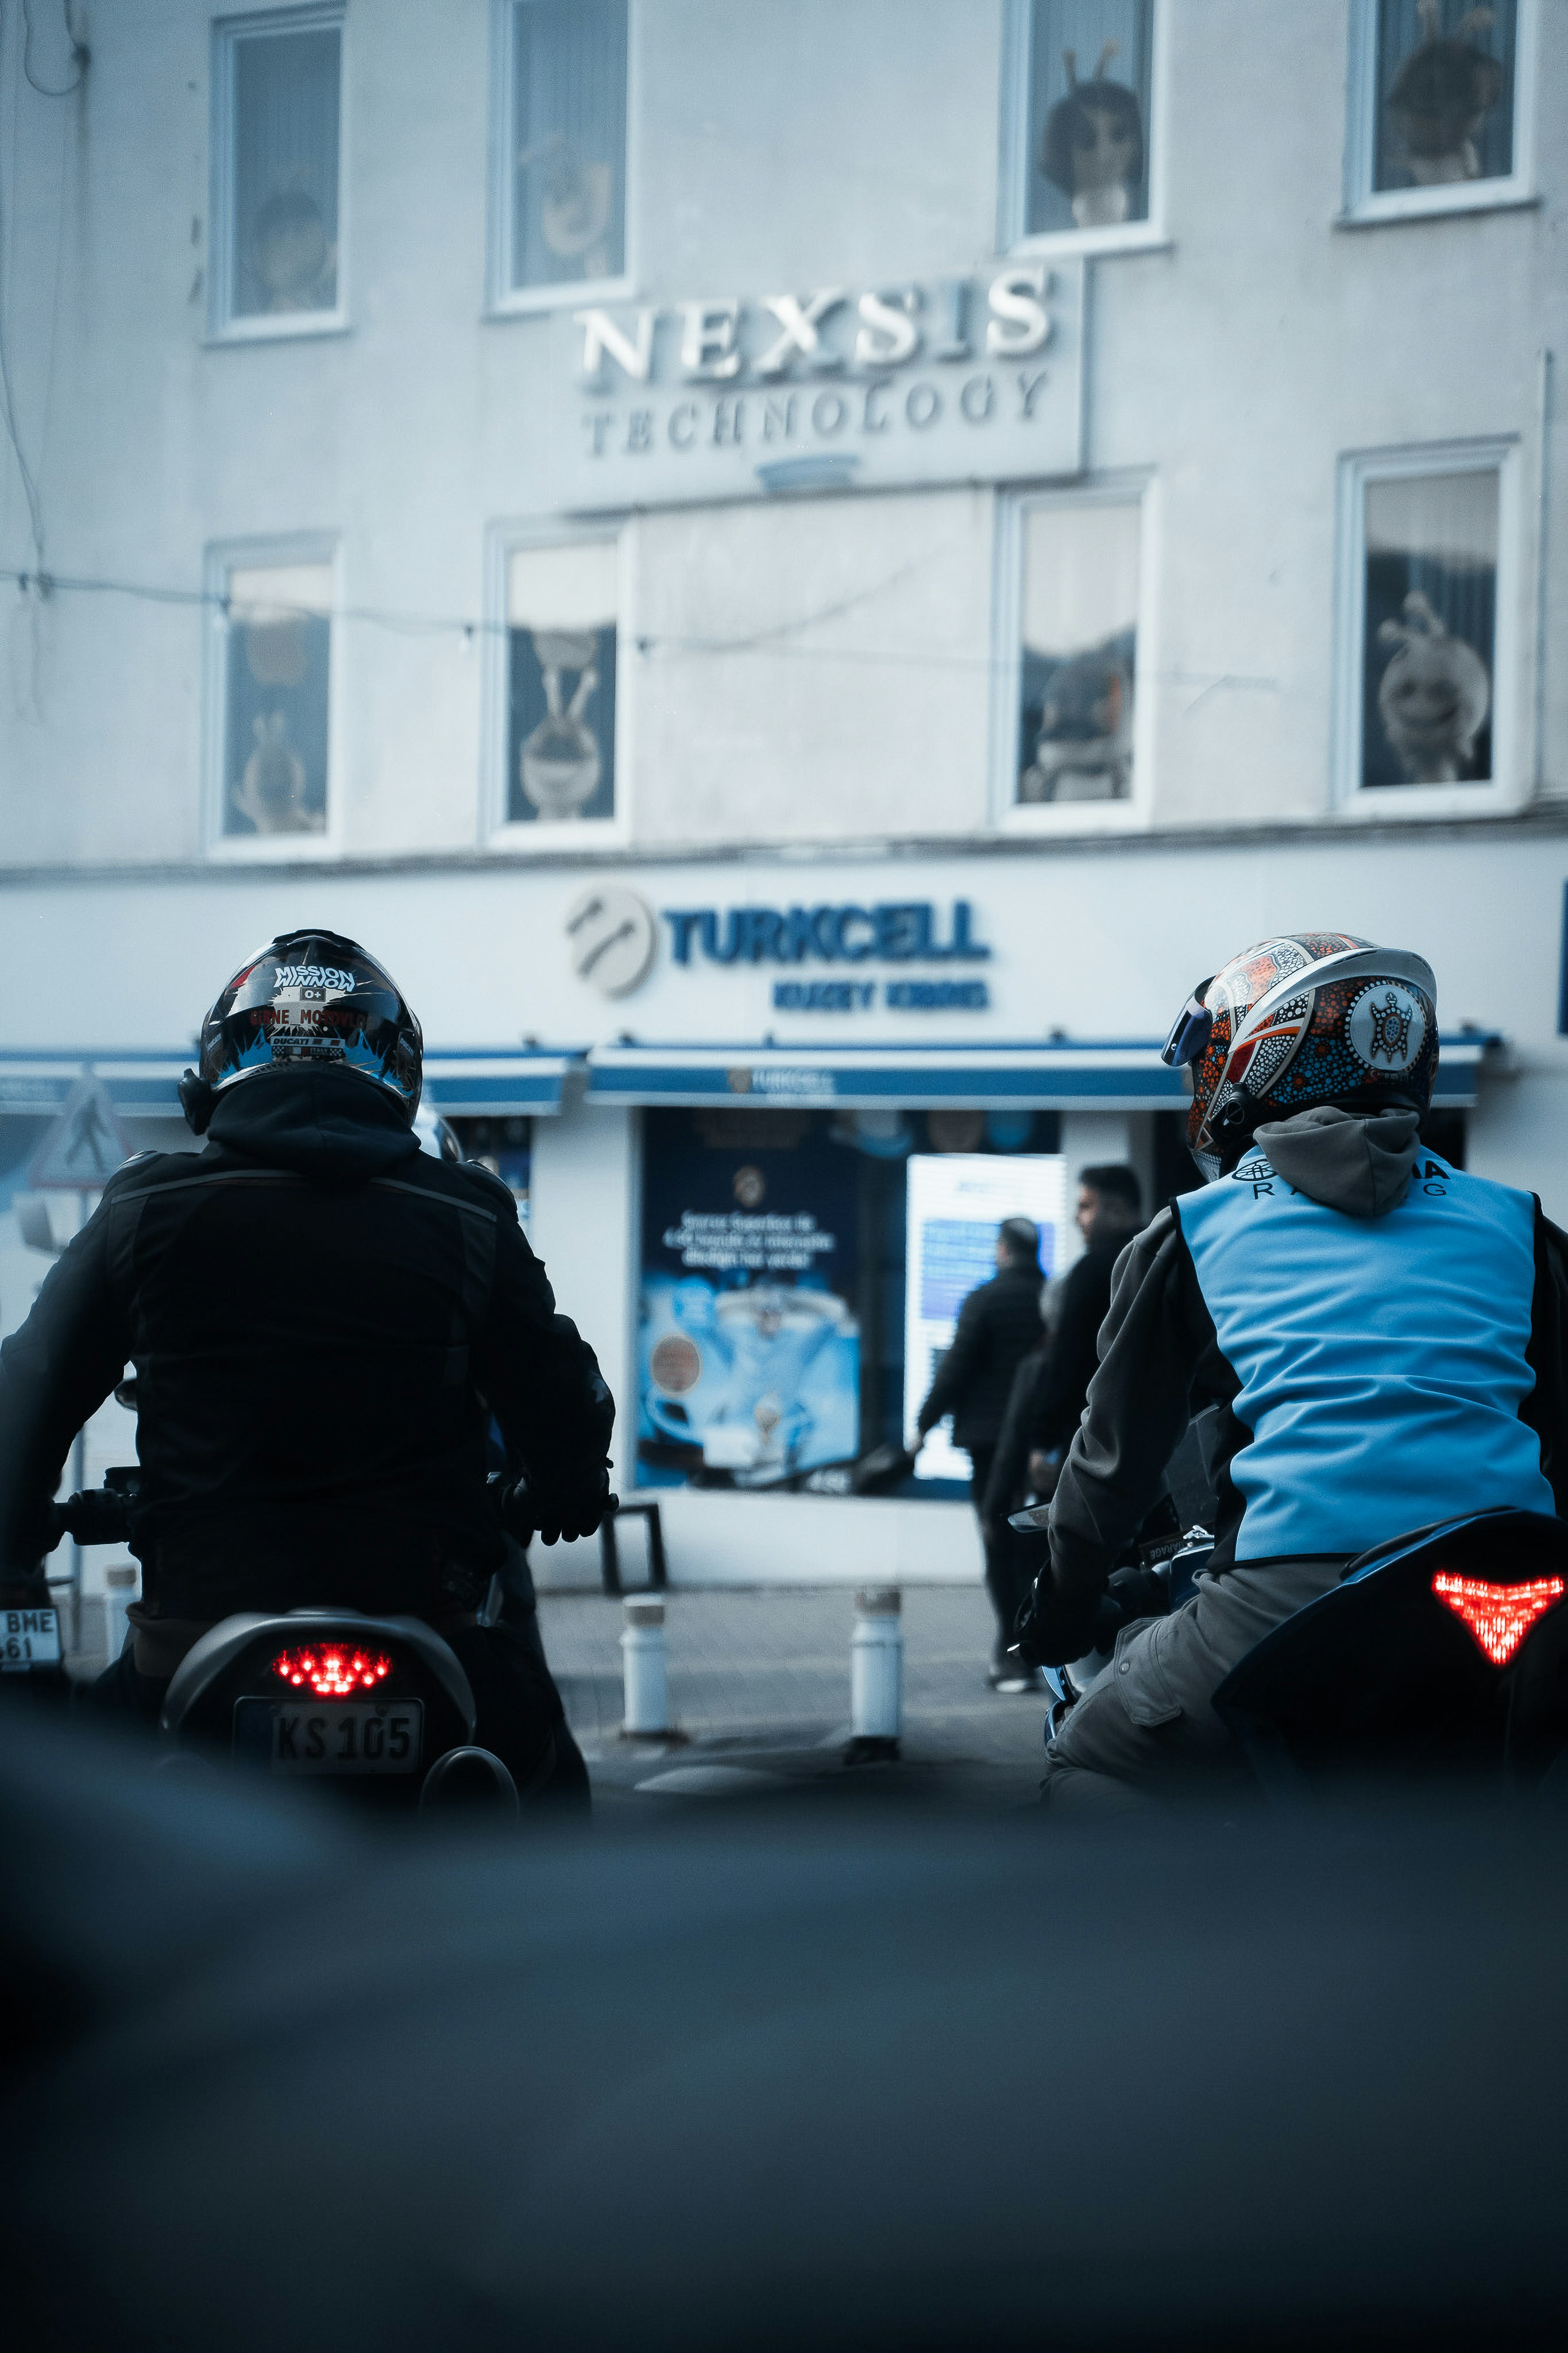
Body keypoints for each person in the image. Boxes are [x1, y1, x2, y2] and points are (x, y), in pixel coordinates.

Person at [0, 929, 613, 1806]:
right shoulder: (470, 1214)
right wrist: (564, 1488)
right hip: (427, 1629)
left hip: (193, 1633)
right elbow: (563, 1398)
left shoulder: (144, 1210)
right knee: (545, 1792)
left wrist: (18, 1536)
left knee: (72, 1822)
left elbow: (26, 1394)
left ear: (214, 1071)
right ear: (397, 1074)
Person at [1015, 931, 1568, 1810]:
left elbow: (1110, 1467)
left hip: (1297, 1603)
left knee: (1083, 1754)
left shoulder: (1196, 1230)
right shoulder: (1520, 1226)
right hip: (1507, 1600)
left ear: (1262, 1056)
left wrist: (1059, 1610)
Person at [913, 1215, 1046, 1688]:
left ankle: (1011, 1652)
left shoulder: (984, 1300)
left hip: (990, 1447)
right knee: (1037, 1549)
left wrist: (921, 1428)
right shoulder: (1053, 1300)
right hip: (1044, 1448)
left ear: (1003, 1250)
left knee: (998, 1544)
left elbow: (955, 1370)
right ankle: (1032, 1649)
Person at [983, 1165, 1143, 1541]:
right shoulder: (1163, 1254)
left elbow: (1068, 1363)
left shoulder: (1094, 1270)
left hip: (1095, 1439)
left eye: (1086, 1206)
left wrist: (1043, 1442)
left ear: (1118, 1210)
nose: (1076, 1218)